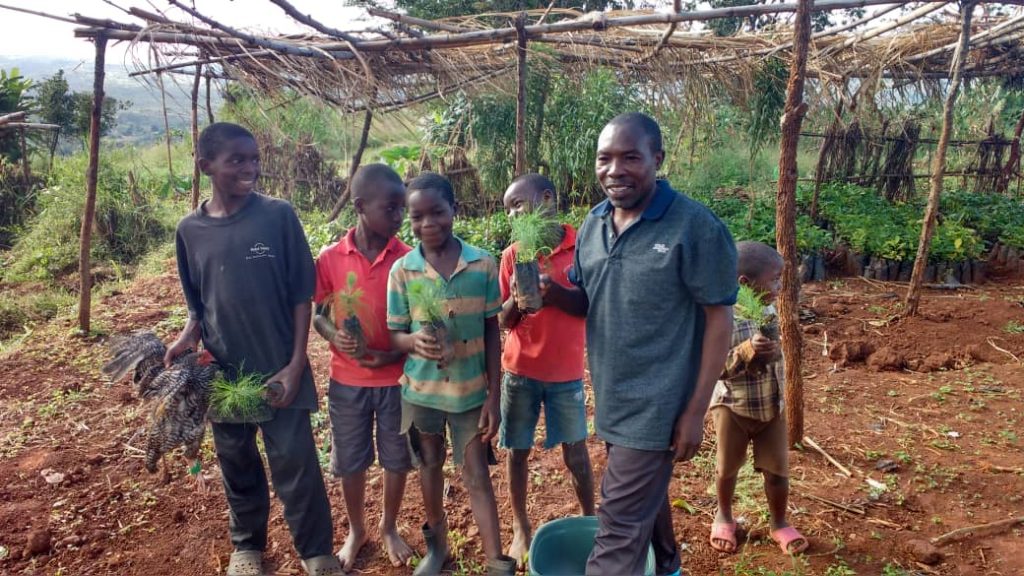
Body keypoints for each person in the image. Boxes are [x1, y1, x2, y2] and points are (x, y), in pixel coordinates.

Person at [546, 113, 738, 576]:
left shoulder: (694, 227)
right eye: (604, 159)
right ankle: (667, 566)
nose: (615, 170)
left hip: (659, 404)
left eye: (630, 157)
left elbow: (719, 319)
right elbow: (588, 299)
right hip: (613, 396)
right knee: (644, 503)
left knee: (616, 529)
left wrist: (694, 412)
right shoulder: (593, 224)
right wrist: (551, 294)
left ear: (657, 159)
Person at [165, 122, 344, 576]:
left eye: (254, 159)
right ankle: (247, 547)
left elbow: (301, 295)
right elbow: (197, 302)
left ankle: (315, 550)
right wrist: (189, 334)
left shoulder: (277, 216)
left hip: (279, 369)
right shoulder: (190, 230)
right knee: (237, 462)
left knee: (297, 463)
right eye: (236, 160)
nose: (250, 168)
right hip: (223, 375)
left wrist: (295, 364)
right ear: (206, 166)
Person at [386, 172, 517, 576]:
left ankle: (496, 559)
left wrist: (494, 396)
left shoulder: (481, 264)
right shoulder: (402, 271)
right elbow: (395, 334)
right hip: (421, 393)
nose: (428, 224)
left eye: (437, 213)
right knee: (429, 463)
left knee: (476, 471)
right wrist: (412, 343)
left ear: (454, 211)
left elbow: (493, 332)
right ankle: (436, 547)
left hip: (469, 394)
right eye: (417, 216)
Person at [312, 163, 414, 571]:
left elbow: (417, 323)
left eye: (401, 208)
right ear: (359, 206)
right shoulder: (332, 258)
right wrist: (334, 336)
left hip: (397, 379)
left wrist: (392, 355)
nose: (399, 216)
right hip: (347, 380)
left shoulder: (407, 259)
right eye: (390, 208)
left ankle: (388, 526)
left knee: (396, 458)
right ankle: (357, 528)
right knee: (350, 460)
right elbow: (319, 313)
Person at [496, 173, 594, 563]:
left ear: (548, 198)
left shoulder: (582, 247)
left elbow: (588, 304)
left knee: (577, 452)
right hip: (519, 371)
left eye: (519, 203)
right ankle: (520, 528)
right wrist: (518, 303)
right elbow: (502, 321)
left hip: (566, 373)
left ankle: (591, 519)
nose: (514, 213)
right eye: (508, 210)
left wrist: (554, 294)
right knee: (517, 450)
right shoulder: (514, 254)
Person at [708, 241, 808, 557]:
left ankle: (778, 521)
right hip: (732, 406)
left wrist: (773, 350)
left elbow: (778, 354)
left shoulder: (769, 310)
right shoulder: (721, 317)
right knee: (727, 468)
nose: (780, 287)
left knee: (778, 470)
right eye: (775, 279)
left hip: (771, 405)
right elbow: (714, 368)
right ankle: (724, 514)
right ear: (745, 284)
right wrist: (748, 350)